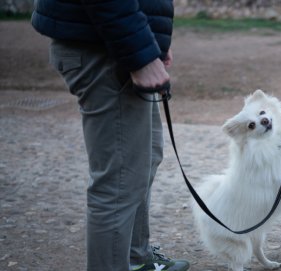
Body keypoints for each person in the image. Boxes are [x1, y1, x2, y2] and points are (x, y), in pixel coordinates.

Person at [31, 1, 190, 270]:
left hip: (116, 42)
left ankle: (135, 260)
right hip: (105, 49)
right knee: (119, 183)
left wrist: (153, 39)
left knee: (145, 157)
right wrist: (140, 54)